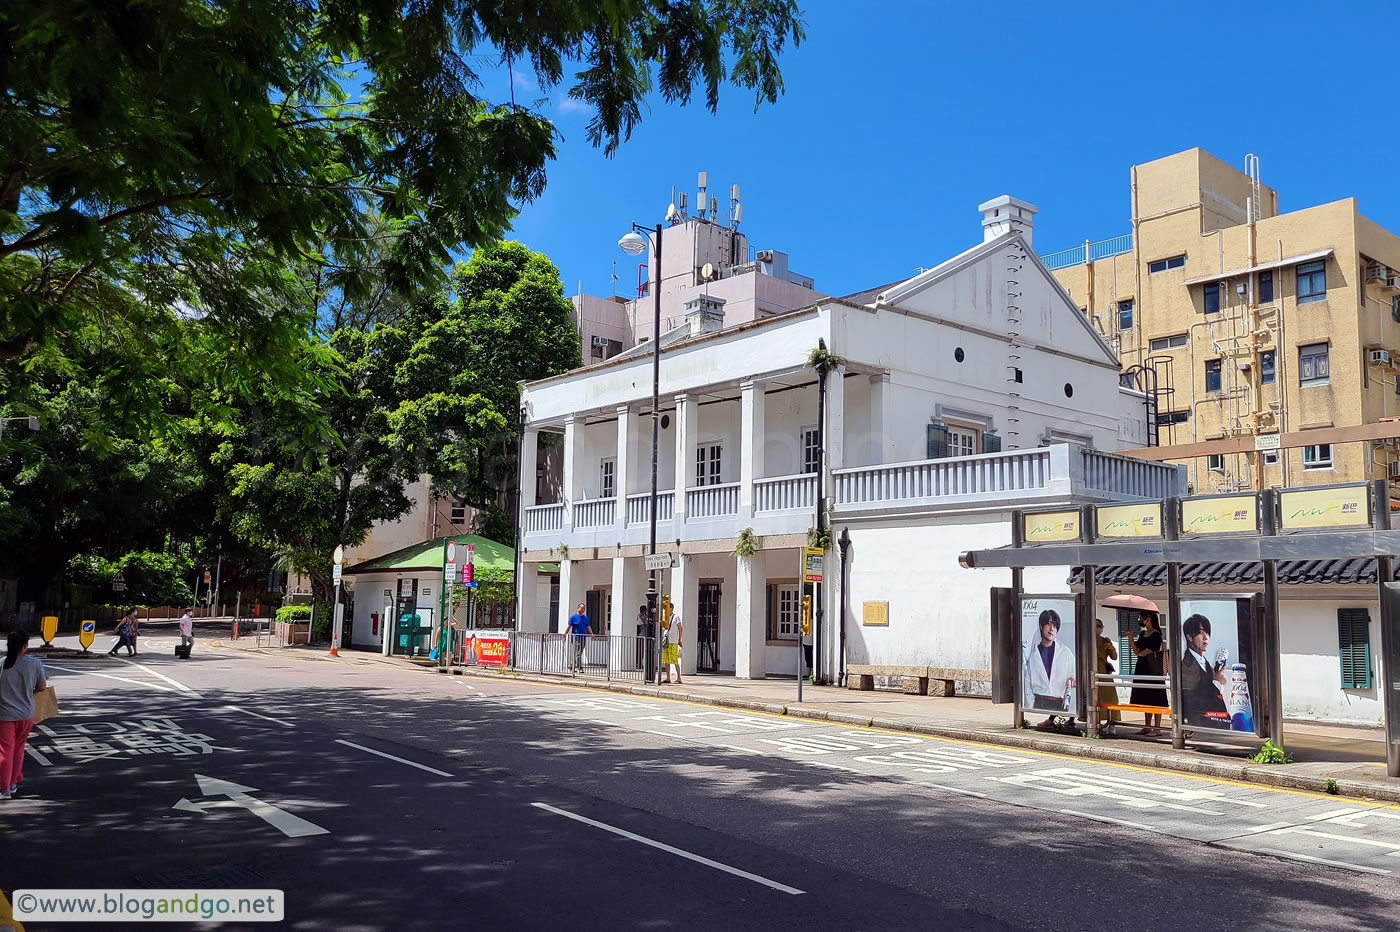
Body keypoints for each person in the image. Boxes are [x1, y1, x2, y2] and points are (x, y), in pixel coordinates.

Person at [0, 631, 48, 799]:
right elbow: (42, 687)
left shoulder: (2, 663)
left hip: (5, 715)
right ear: (25, 646)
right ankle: (12, 783)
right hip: (26, 714)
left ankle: (3, 789)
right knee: (18, 750)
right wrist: (29, 691)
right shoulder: (35, 663)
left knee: (5, 751)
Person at [1023, 609, 1075, 727]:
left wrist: (1073, 679)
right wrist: (1030, 705)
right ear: (1041, 626)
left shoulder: (1066, 653)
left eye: (1055, 626)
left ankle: (1053, 720)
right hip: (1039, 701)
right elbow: (1027, 682)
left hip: (1059, 702)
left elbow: (1074, 674)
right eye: (1049, 623)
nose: (1052, 628)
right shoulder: (1032, 653)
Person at [1181, 613, 1230, 728]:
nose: (1205, 637)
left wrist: (1218, 679)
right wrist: (1217, 682)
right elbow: (1196, 698)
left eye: (1207, 632)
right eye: (1200, 632)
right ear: (1189, 636)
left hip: (1214, 723)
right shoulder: (1188, 664)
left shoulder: (1203, 661)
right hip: (1202, 724)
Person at [1124, 611, 1168, 736]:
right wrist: (1130, 636)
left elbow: (1149, 651)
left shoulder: (1156, 635)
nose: (1141, 620)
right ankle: (1147, 726)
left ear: (1149, 618)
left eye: (1143, 617)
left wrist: (1141, 653)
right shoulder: (1143, 633)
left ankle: (1157, 728)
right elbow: (1137, 650)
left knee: (1156, 697)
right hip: (1142, 666)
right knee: (1145, 697)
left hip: (1153, 668)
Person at [1095, 619, 1120, 728]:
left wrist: (1112, 649)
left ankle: (1112, 722)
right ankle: (1096, 721)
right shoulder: (1087, 639)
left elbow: (1114, 657)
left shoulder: (1105, 640)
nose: (1099, 628)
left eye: (1101, 626)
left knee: (1110, 697)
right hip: (1092, 669)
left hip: (1104, 671)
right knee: (1096, 697)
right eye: (1097, 626)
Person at [566, 602, 591, 673]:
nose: (583, 609)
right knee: (578, 653)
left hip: (583, 637)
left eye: (584, 608)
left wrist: (591, 634)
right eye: (582, 608)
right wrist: (565, 633)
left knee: (579, 652)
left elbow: (588, 626)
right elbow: (569, 626)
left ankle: (571, 665)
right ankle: (579, 667)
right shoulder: (573, 617)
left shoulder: (585, 617)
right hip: (576, 638)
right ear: (578, 608)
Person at [661, 607, 683, 685]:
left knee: (674, 659)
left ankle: (679, 678)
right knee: (666, 660)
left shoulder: (676, 617)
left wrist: (679, 639)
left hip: (673, 641)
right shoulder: (665, 617)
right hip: (666, 641)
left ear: (671, 609)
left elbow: (680, 628)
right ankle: (668, 678)